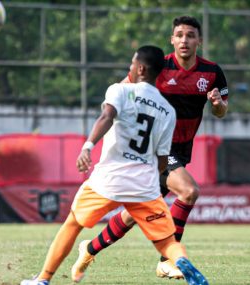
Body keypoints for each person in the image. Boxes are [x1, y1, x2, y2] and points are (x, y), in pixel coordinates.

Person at [20, 45, 209, 285]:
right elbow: (162, 160)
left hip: (109, 179)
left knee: (74, 223)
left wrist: (88, 146)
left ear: (140, 68)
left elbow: (106, 117)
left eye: (132, 63)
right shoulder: (167, 111)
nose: (129, 67)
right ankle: (180, 261)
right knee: (167, 242)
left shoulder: (120, 90)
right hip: (144, 185)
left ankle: (43, 279)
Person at [71, 15, 228, 281]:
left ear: (199, 41)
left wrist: (216, 104)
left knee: (134, 214)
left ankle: (89, 248)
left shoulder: (212, 73)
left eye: (190, 35)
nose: (184, 40)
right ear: (172, 39)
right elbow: (122, 89)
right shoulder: (159, 67)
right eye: (179, 34)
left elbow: (222, 112)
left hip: (180, 151)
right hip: (155, 150)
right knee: (189, 191)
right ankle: (168, 260)